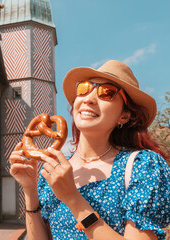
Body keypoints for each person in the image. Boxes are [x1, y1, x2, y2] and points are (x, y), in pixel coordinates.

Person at [10, 60, 170, 240]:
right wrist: (30, 189)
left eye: (107, 93)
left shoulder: (142, 167)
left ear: (124, 115)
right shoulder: (53, 171)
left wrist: (73, 199)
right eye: (83, 89)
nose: (89, 98)